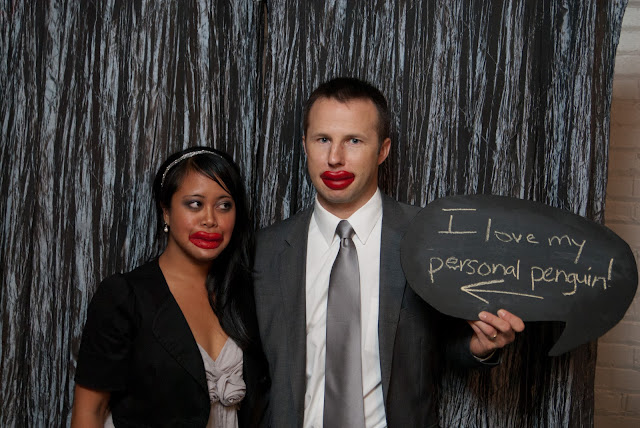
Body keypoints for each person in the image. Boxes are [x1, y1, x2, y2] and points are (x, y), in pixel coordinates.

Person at [253, 77, 525, 427]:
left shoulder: (431, 237)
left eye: (354, 141)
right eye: (323, 140)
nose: (334, 158)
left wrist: (480, 346)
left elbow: (447, 343)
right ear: (305, 144)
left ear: (382, 150)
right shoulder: (264, 251)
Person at [72, 147, 268, 427]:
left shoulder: (245, 294)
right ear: (165, 211)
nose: (210, 219)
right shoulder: (124, 297)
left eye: (224, 205)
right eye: (195, 204)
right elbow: (90, 412)